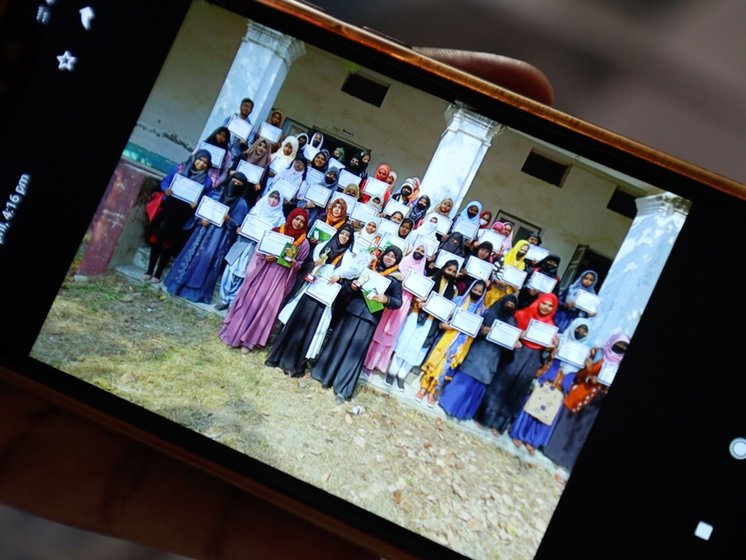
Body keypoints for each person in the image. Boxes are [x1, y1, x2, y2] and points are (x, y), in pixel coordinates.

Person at [3, 48, 553, 558]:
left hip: (349, 293)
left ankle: (292, 358)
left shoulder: (403, 246)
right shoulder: (312, 216)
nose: (383, 188)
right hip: (296, 267)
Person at [265, 224, 365, 377]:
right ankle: (278, 357)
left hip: (324, 299)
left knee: (310, 330)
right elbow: (307, 265)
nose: (344, 237)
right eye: (342, 233)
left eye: (347, 236)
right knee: (296, 323)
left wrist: (340, 277)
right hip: (309, 291)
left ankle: (294, 364)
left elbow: (348, 281)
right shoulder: (323, 247)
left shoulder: (349, 259)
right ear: (338, 233)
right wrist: (315, 264)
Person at [311, 246, 404, 403]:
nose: (389, 258)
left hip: (369, 318)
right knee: (338, 343)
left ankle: (343, 388)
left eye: (393, 257)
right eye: (387, 255)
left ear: (397, 261)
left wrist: (386, 300)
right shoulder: (369, 268)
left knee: (354, 353)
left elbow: (398, 301)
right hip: (352, 310)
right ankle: (323, 374)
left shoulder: (396, 279)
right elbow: (350, 285)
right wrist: (353, 286)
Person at [219, 208, 310, 353]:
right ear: (291, 217)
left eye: (302, 221)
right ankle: (234, 334)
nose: (298, 223)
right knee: (251, 301)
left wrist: (293, 263)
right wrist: (265, 257)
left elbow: (300, 263)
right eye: (296, 219)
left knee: (266, 308)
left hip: (279, 279)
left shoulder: (304, 243)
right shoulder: (275, 231)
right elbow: (260, 250)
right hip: (262, 272)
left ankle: (249, 341)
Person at [543, 333, 630, 472]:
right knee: (568, 423)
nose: (619, 350)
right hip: (583, 393)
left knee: (583, 430)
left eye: (623, 348)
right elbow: (580, 375)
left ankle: (567, 462)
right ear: (611, 343)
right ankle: (552, 452)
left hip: (598, 402)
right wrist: (591, 377)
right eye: (617, 346)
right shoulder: (599, 355)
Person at [477, 292, 558, 435]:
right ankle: (484, 418)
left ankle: (499, 425)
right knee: (501, 383)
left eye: (550, 306)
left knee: (517, 390)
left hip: (532, 359)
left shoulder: (551, 328)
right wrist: (517, 335)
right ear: (538, 302)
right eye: (544, 303)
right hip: (515, 353)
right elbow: (506, 332)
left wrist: (549, 348)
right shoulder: (521, 315)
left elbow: (546, 354)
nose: (546, 307)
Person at [508, 317, 593, 454]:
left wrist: (587, 366)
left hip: (562, 385)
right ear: (573, 327)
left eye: (584, 331)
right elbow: (545, 354)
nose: (580, 332)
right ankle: (519, 434)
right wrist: (552, 351)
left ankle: (532, 441)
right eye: (579, 328)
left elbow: (580, 375)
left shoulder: (585, 351)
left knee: (547, 414)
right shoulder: (559, 339)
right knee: (532, 407)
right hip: (549, 379)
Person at [164, 173, 249, 303]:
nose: (235, 185)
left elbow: (238, 225)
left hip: (219, 237)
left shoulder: (241, 204)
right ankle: (177, 285)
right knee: (190, 255)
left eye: (239, 184)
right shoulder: (216, 193)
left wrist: (228, 220)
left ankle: (195, 293)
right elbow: (201, 208)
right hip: (202, 229)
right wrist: (201, 219)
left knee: (206, 260)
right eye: (234, 181)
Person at [439, 294, 518, 420]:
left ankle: (462, 414)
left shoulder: (512, 323)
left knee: (476, 388)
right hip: (476, 355)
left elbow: (509, 349)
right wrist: (482, 331)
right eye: (507, 304)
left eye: (512, 306)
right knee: (464, 382)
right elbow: (471, 331)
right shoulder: (488, 314)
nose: (508, 308)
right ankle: (448, 406)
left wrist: (513, 345)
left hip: (492, 361)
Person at [362, 243, 427, 387]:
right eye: (418, 249)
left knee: (388, 334)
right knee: (378, 329)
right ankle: (364, 360)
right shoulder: (401, 262)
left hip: (403, 305)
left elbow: (419, 294)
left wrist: (420, 298)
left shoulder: (421, 274)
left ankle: (373, 365)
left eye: (423, 251)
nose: (419, 252)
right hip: (388, 298)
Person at [387, 260, 460, 389]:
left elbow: (450, 308)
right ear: (444, 268)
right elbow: (415, 296)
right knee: (405, 341)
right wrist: (418, 301)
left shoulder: (453, 290)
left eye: (454, 272)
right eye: (449, 270)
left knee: (417, 348)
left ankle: (401, 376)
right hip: (416, 315)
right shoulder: (429, 280)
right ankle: (392, 372)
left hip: (432, 322)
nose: (451, 273)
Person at [144, 149, 213, 283]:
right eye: (199, 159)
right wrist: (166, 190)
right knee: (157, 238)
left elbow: (206, 200)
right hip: (167, 209)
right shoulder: (180, 168)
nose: (201, 164)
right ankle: (149, 269)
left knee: (168, 243)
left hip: (183, 215)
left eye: (205, 162)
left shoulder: (207, 181)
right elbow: (165, 182)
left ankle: (158, 273)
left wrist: (197, 204)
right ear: (194, 159)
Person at [417, 279, 487, 407]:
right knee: (436, 360)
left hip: (461, 343)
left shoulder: (482, 310)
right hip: (447, 337)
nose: (476, 292)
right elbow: (445, 316)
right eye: (474, 289)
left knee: (447, 366)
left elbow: (476, 329)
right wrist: (444, 325)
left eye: (479, 291)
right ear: (470, 288)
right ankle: (423, 387)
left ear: (483, 293)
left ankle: (432, 392)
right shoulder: (459, 300)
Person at [216, 188, 286, 310]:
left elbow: (277, 238)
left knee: (245, 274)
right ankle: (224, 299)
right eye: (272, 196)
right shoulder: (256, 209)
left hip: (257, 251)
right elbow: (244, 223)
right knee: (230, 270)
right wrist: (240, 229)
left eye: (277, 199)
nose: (273, 200)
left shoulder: (280, 219)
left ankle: (233, 302)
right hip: (242, 244)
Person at [484, 239, 530, 308]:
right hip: (493, 291)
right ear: (517, 247)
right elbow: (491, 272)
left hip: (506, 297)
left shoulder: (524, 266)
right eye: (521, 249)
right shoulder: (504, 258)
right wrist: (497, 281)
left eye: (525, 251)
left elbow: (519, 284)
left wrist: (515, 287)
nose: (522, 252)